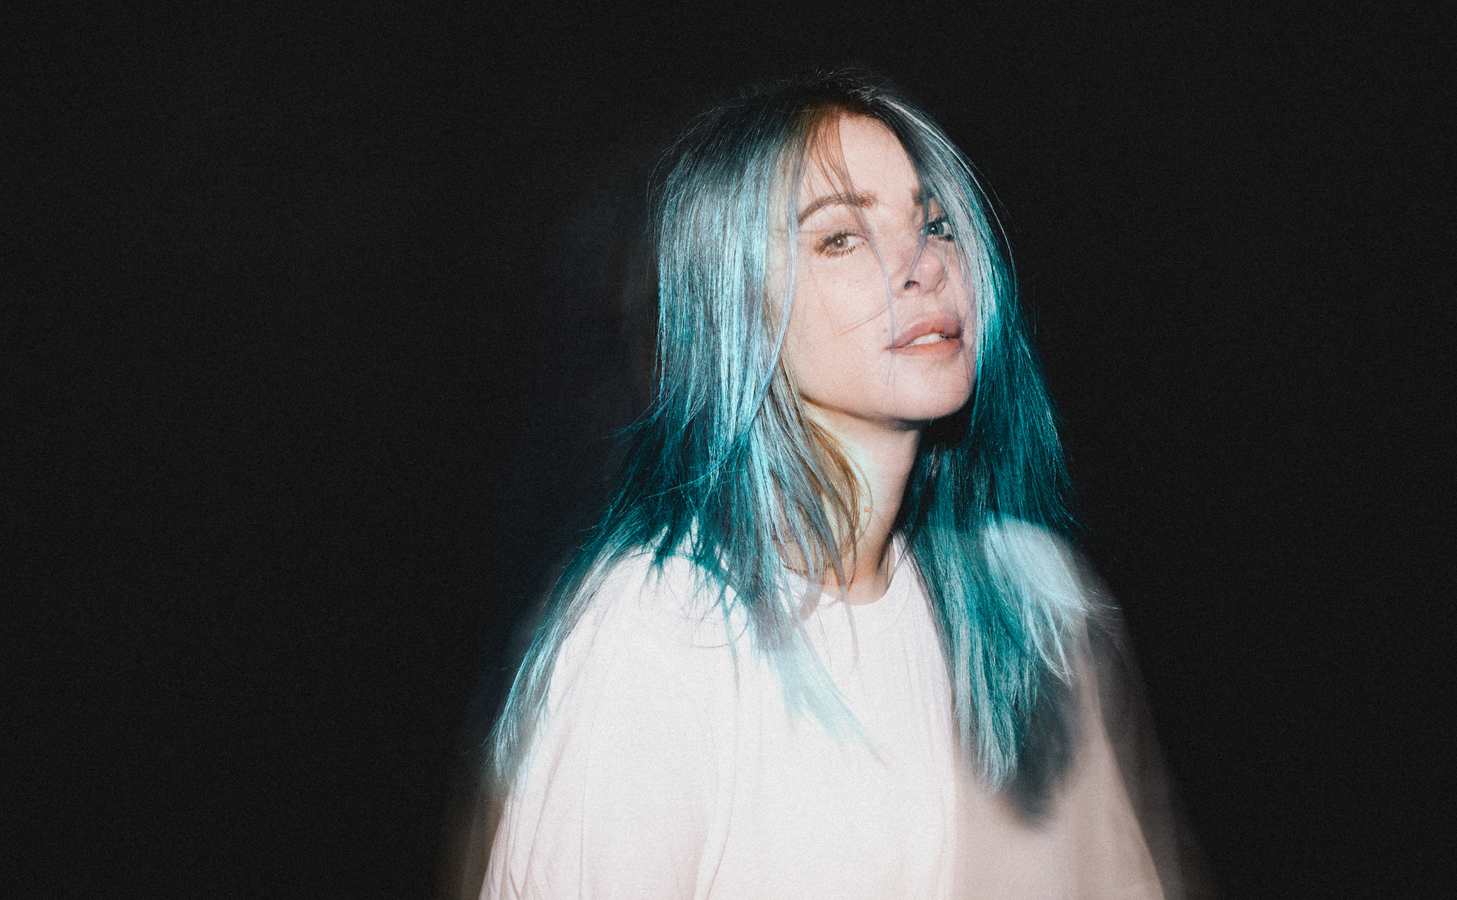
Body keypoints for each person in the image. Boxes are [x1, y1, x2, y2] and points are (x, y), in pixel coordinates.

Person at [473, 70, 1204, 899]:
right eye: (840, 237)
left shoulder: (1029, 607)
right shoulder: (659, 636)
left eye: (935, 223)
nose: (922, 264)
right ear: (736, 306)